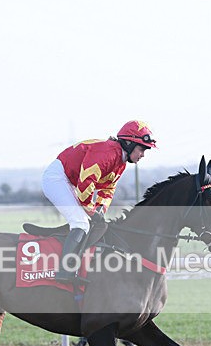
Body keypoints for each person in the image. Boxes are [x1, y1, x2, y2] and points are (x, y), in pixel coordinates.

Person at [42, 120, 157, 282]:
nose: (143, 155)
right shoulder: (108, 153)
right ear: (129, 143)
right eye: (141, 149)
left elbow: (108, 189)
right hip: (57, 179)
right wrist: (91, 210)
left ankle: (80, 265)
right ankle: (65, 272)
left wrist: (100, 210)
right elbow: (86, 183)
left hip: (70, 181)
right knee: (81, 223)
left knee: (90, 223)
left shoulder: (120, 162)